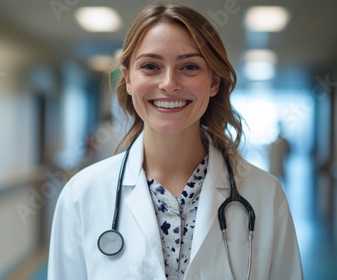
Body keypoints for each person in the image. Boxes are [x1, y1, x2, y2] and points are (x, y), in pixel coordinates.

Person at [48, 3, 303, 280]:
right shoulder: (81, 195)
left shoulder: (265, 194)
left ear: (214, 82)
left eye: (190, 66)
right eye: (150, 66)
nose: (169, 83)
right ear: (128, 79)